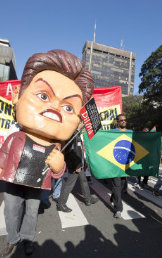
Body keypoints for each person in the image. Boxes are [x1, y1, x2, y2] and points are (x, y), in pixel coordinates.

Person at [0, 49, 94, 257]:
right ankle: (13, 238)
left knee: (31, 213)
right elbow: (3, 157)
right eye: (43, 96)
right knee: (11, 211)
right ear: (18, 96)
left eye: (69, 108)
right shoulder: (15, 138)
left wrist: (59, 165)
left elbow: (57, 174)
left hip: (36, 183)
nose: (55, 108)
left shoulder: (56, 147)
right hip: (13, 181)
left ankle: (27, 238)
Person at [57, 122, 99, 212]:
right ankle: (61, 204)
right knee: (69, 184)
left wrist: (82, 163)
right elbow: (73, 152)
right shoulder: (73, 135)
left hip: (79, 164)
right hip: (75, 165)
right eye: (82, 124)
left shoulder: (77, 134)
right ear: (77, 124)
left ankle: (88, 199)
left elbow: (78, 151)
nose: (84, 126)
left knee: (84, 181)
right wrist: (77, 165)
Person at [110, 114, 132, 218]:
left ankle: (113, 197)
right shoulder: (112, 132)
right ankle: (118, 209)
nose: (123, 121)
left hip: (126, 165)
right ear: (117, 122)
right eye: (121, 120)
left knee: (121, 185)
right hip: (115, 164)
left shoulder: (131, 133)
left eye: (125, 120)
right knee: (117, 185)